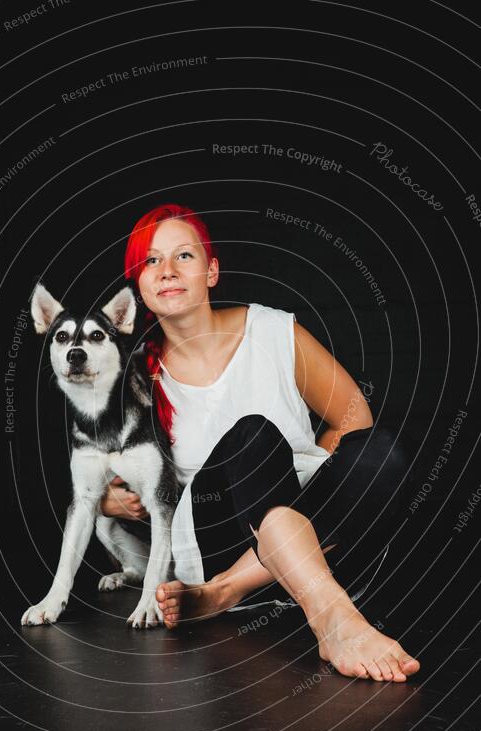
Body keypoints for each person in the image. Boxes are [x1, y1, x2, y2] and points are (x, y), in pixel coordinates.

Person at [100, 203, 420, 683]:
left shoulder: (272, 330)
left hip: (303, 532)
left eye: (183, 256)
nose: (166, 271)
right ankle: (332, 617)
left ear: (211, 272)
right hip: (217, 538)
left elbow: (354, 416)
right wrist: (114, 501)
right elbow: (97, 486)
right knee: (255, 434)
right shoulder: (134, 379)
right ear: (140, 284)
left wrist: (321, 493)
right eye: (151, 260)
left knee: (379, 454)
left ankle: (227, 592)